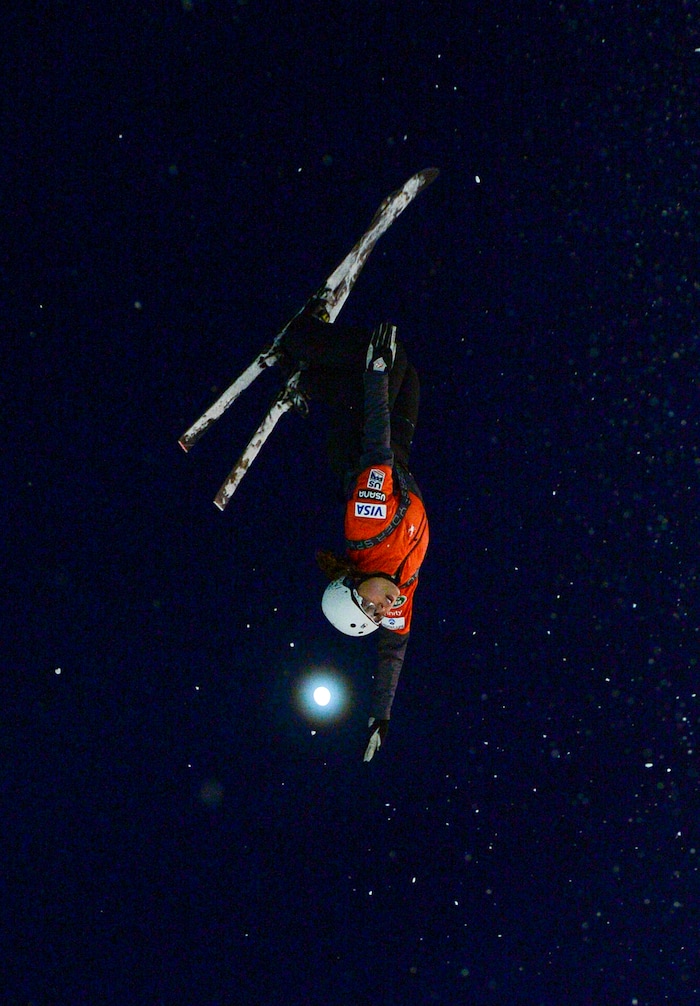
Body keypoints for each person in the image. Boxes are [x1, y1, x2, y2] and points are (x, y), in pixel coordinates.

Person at [281, 306, 429, 762]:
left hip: (362, 441)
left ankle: (298, 342)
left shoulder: (367, 529)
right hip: (397, 458)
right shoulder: (398, 593)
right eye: (379, 614)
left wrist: (377, 373)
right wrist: (380, 716)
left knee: (385, 357)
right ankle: (313, 381)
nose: (384, 608)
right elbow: (392, 652)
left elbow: (376, 445)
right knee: (412, 381)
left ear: (354, 584)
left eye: (371, 605)